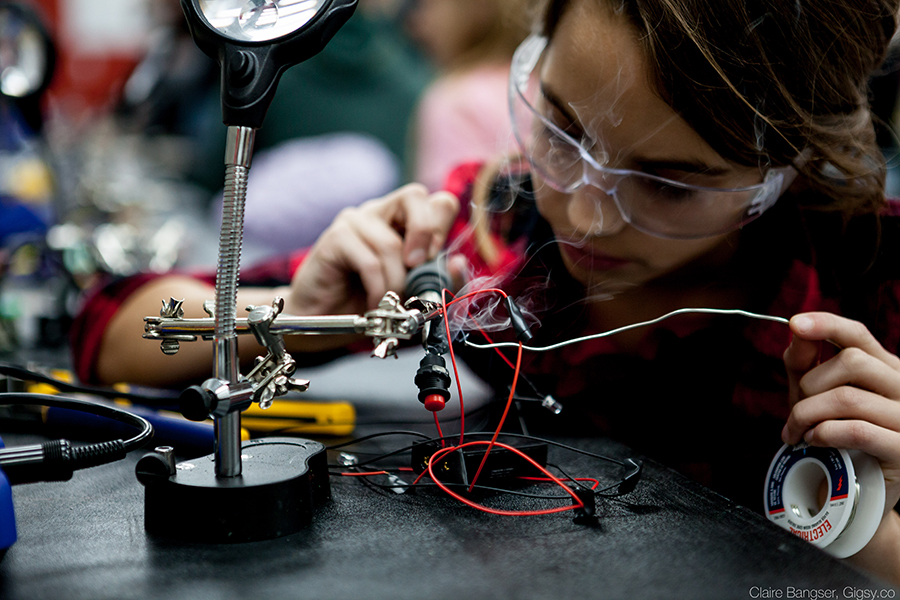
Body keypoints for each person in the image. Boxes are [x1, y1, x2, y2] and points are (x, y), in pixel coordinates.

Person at [72, 0, 900, 582]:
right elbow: (112, 329)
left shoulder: (874, 281)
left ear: (786, 168)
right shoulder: (491, 232)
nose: (584, 216)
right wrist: (306, 312)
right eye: (565, 131)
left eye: (668, 184)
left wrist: (874, 522)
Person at [405, 0, 531, 191]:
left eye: (430, 4)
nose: (419, 21)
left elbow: (449, 203)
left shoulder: (454, 100)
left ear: (475, 6)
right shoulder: (540, 80)